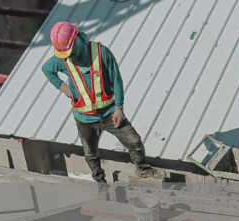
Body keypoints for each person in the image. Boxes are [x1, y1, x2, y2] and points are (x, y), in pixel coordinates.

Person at [42, 21, 156, 184]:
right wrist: (62, 87)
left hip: (109, 113)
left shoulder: (101, 53)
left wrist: (119, 108)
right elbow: (47, 69)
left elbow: (116, 80)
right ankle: (100, 182)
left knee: (134, 141)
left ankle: (143, 169)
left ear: (77, 40)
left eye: (69, 51)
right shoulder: (62, 59)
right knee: (90, 154)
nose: (68, 56)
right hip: (84, 118)